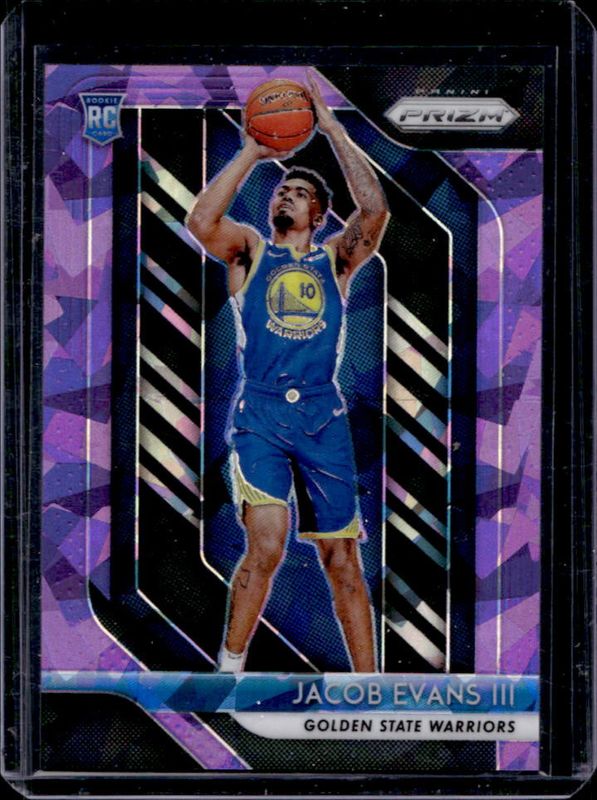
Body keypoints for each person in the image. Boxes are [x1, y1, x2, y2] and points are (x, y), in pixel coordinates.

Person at [186, 74, 389, 673]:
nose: (286, 196)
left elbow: (375, 211)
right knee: (267, 546)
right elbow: (201, 222)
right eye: (282, 191)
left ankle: (371, 691)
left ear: (319, 214)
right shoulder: (249, 250)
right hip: (263, 416)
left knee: (343, 563)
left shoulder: (337, 259)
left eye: (299, 193)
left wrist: (332, 130)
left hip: (323, 417)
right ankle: (229, 669)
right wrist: (253, 150)